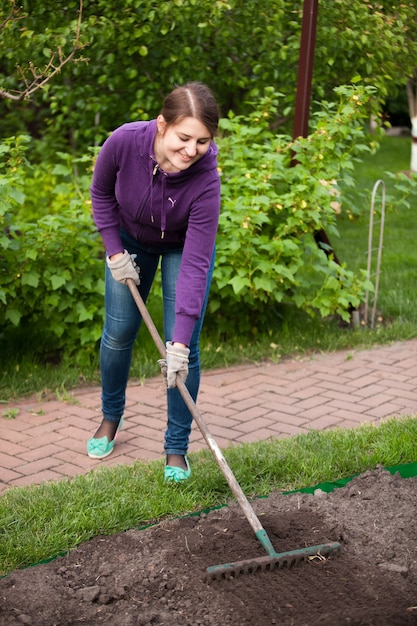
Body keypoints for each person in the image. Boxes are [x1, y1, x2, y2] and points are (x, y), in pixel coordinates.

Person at [86, 82, 221, 482]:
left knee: (185, 350)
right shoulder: (125, 142)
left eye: (202, 141)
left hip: (182, 248)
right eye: (184, 138)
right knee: (118, 333)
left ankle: (176, 447)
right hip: (129, 241)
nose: (192, 150)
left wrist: (178, 343)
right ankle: (111, 417)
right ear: (162, 124)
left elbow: (196, 264)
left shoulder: (205, 181)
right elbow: (100, 194)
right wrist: (114, 252)